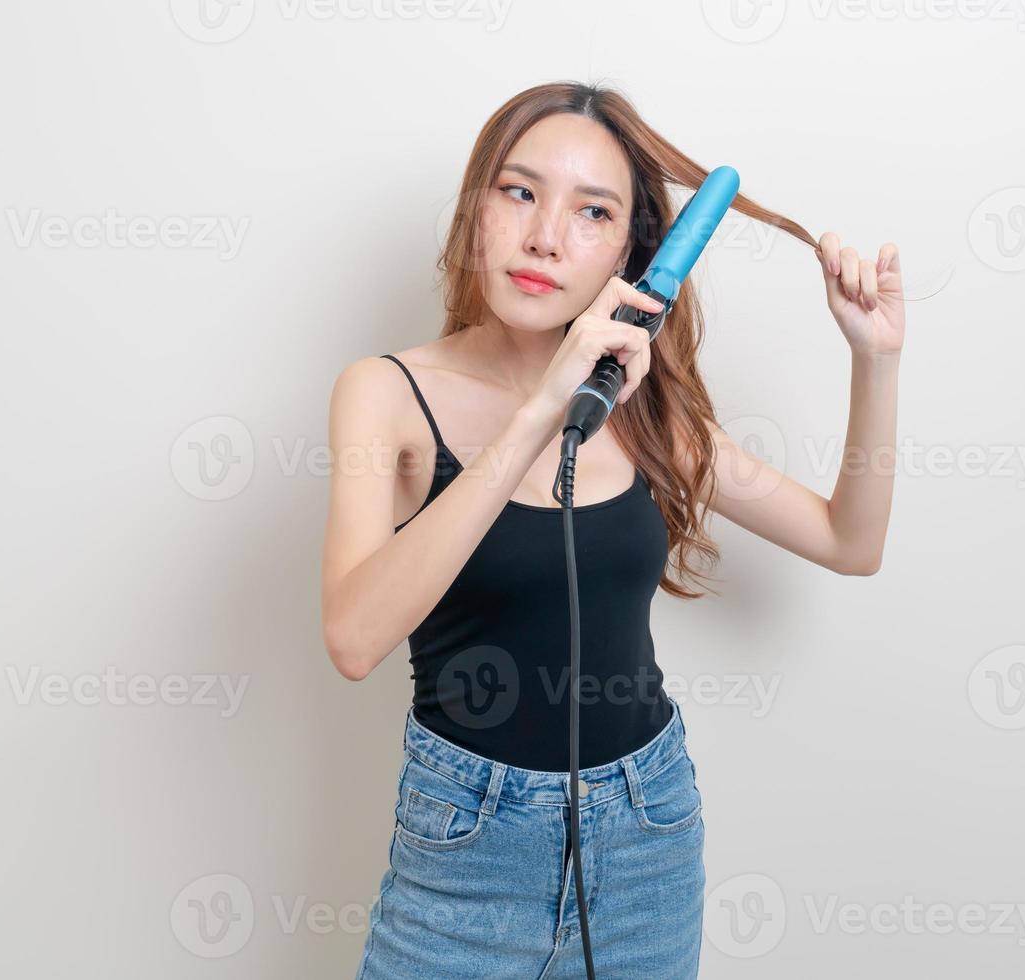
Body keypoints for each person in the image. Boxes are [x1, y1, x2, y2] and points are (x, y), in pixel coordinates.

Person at [322, 80, 904, 979]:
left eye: (591, 213)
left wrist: (875, 361)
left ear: (630, 254)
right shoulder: (386, 393)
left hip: (645, 838)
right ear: (477, 206)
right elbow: (354, 638)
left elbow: (848, 543)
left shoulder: (645, 415)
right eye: (519, 192)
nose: (545, 235)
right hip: (466, 850)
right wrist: (539, 410)